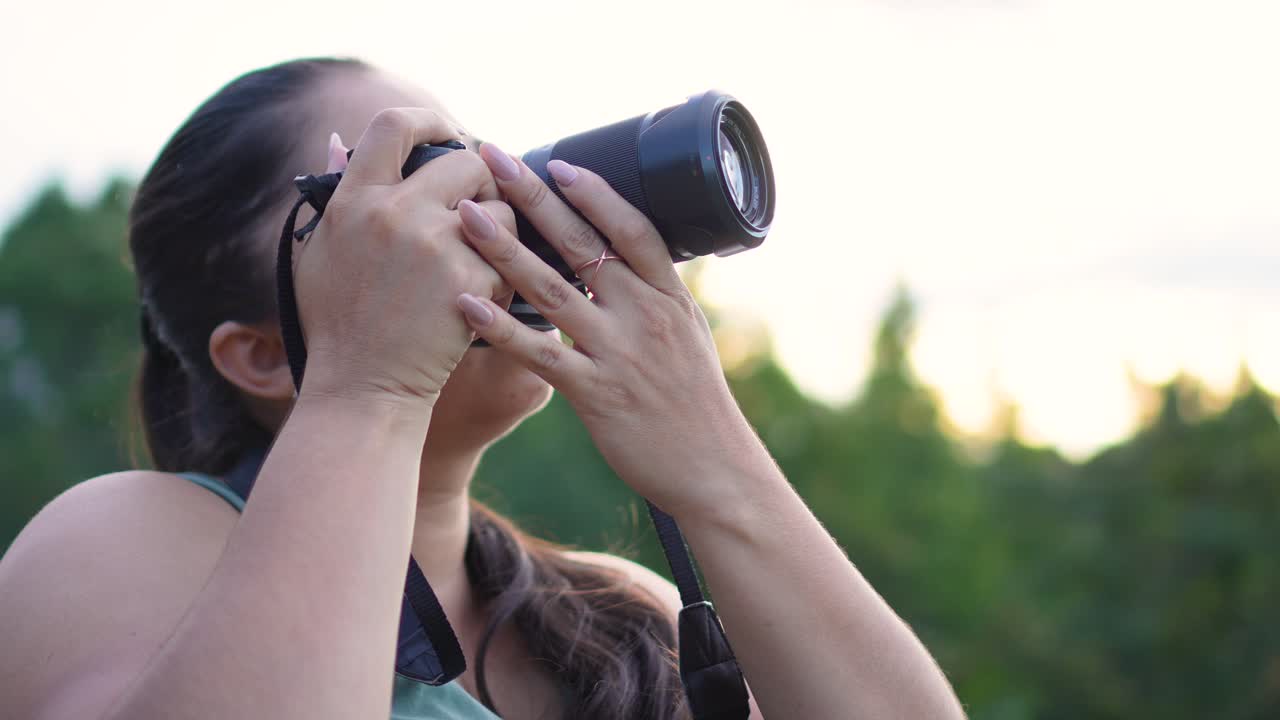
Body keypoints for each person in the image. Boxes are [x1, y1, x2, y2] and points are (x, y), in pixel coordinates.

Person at [0, 58, 966, 720]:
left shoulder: (621, 619)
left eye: (478, 166)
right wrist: (368, 388)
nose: (485, 216)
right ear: (261, 355)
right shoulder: (126, 539)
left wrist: (719, 469)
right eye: (406, 186)